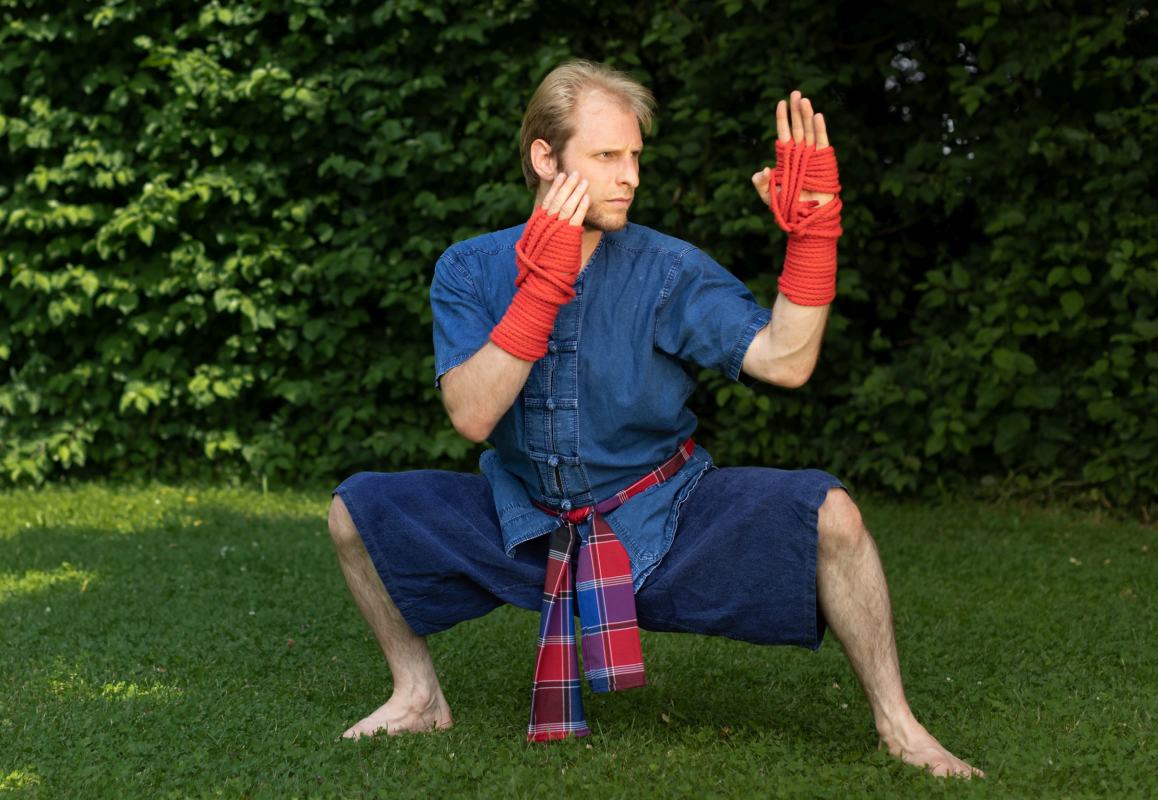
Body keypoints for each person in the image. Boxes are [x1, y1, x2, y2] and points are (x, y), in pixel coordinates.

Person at [328, 59, 983, 779]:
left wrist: (813, 243)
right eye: (607, 155)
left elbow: (786, 360)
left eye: (634, 155)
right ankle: (418, 696)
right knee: (357, 511)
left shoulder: (666, 268)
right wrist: (543, 284)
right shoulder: (469, 269)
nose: (629, 175)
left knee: (834, 516)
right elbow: (474, 414)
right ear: (545, 158)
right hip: (525, 522)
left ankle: (899, 724)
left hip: (663, 518)